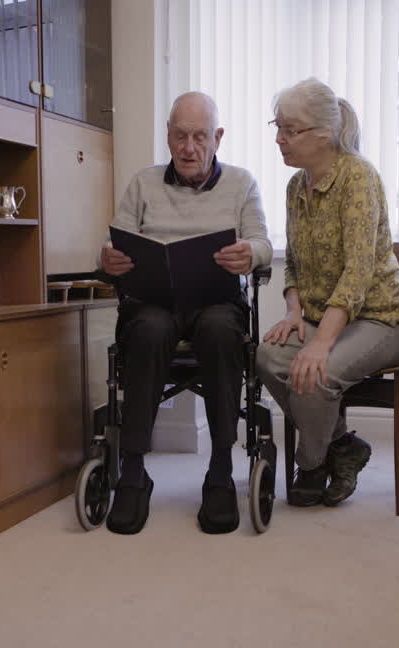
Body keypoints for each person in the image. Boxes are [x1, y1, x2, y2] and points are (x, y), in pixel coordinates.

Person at [99, 91, 271, 535]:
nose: (189, 147)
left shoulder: (242, 183)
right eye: (180, 136)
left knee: (219, 330)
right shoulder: (142, 183)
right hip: (153, 301)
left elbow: (264, 244)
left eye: (199, 137)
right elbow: (116, 243)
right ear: (168, 137)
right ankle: (134, 469)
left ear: (217, 138)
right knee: (149, 330)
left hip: (215, 300)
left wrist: (249, 253)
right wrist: (109, 260)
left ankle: (218, 471)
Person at [257, 78, 399, 508]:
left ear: (323, 135)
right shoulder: (296, 188)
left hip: (385, 319)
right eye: (278, 127)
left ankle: (310, 466)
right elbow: (292, 262)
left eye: (290, 130)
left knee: (317, 373)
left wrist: (321, 344)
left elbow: (358, 272)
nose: (280, 139)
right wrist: (293, 312)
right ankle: (343, 445)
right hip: (325, 318)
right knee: (269, 357)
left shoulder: (358, 177)